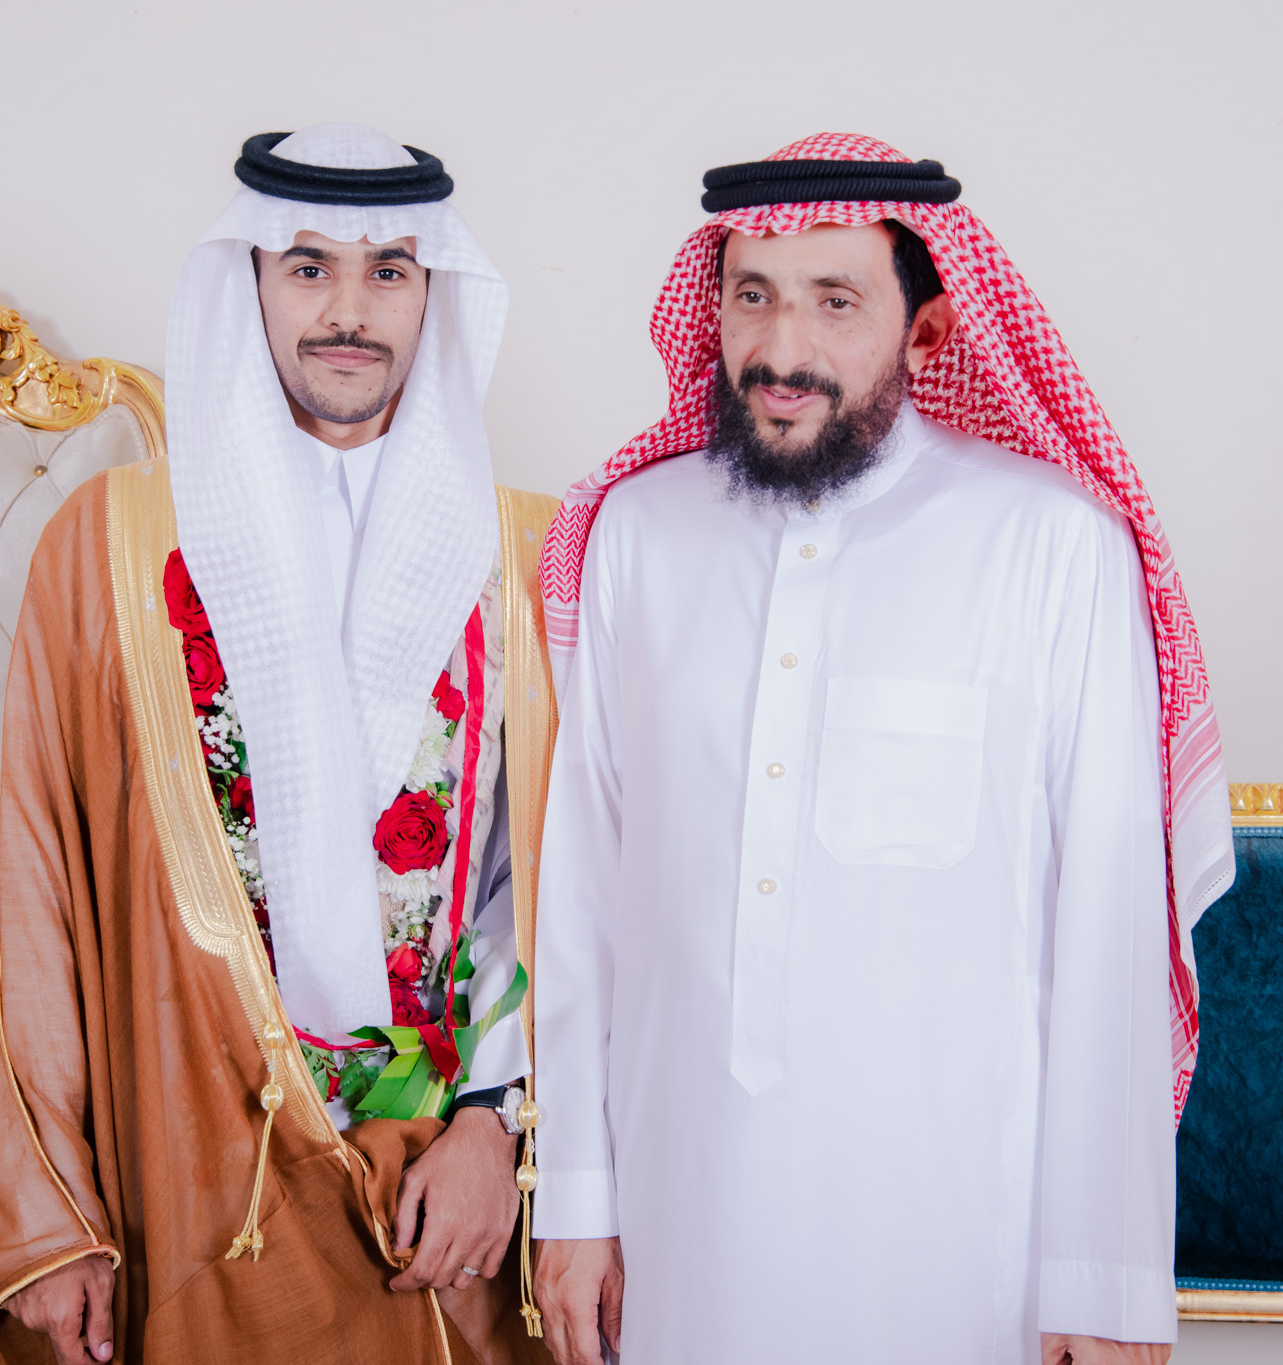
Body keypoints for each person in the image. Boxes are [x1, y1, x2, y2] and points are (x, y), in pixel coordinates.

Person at [529, 134, 1236, 1364]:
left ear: (928, 332)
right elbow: (585, 888)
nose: (781, 347)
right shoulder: (634, 536)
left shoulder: (1050, 546)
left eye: (835, 302)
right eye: (752, 295)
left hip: (963, 1237)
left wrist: (1106, 1282)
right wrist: (577, 1203)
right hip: (680, 1209)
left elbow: (1108, 929)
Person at [0, 124, 556, 1365]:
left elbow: (540, 884)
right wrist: (52, 1220)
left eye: (388, 271)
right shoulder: (108, 545)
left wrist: (498, 1127)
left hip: (446, 1192)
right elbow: (39, 889)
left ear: (431, 292)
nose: (348, 310)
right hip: (189, 1168)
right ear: (251, 281)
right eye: (307, 266)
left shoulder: (528, 556)